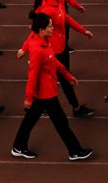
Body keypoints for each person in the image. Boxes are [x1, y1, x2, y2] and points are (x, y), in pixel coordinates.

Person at [10, 12, 93, 161]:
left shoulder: (44, 41)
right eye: (49, 26)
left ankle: (18, 146)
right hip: (44, 94)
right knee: (60, 122)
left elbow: (53, 61)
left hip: (47, 92)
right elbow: (32, 76)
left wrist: (68, 76)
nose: (52, 28)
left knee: (31, 120)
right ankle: (74, 150)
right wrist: (28, 98)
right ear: (41, 30)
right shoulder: (37, 50)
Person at [34, 0, 95, 117]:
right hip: (53, 51)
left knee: (57, 79)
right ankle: (75, 107)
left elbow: (66, 19)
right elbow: (35, 31)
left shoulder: (56, 5)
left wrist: (83, 31)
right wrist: (27, 49)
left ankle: (40, 105)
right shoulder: (47, 10)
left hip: (61, 48)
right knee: (59, 79)